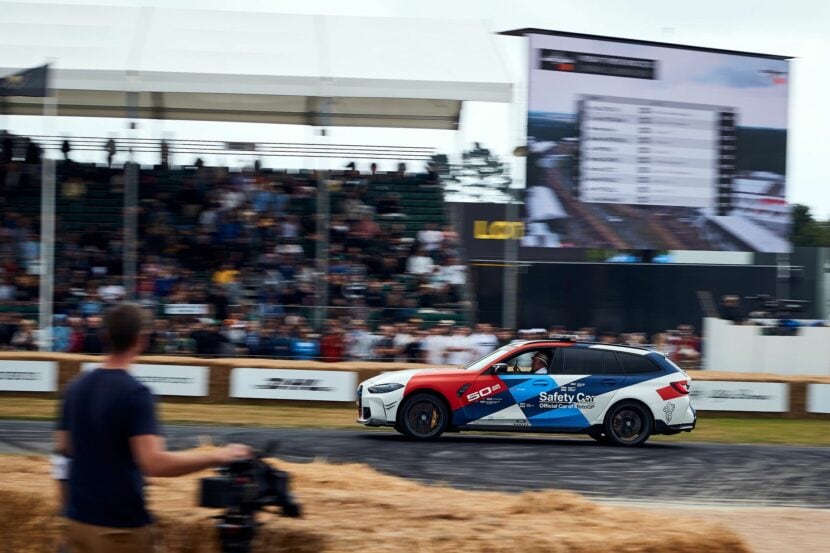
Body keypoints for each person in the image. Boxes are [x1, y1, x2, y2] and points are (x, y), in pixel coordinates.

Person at [54, 303, 250, 553]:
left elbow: (63, 451)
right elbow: (154, 463)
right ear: (142, 339)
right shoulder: (136, 393)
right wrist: (218, 455)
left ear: (104, 336)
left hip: (78, 520)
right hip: (118, 527)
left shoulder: (75, 387)